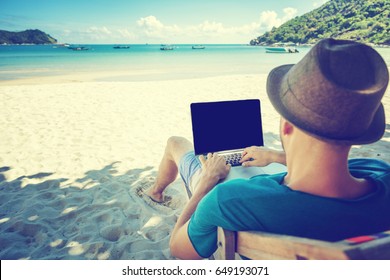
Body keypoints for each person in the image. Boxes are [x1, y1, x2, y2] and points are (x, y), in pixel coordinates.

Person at [146, 38, 390, 259]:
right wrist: (274, 156)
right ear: (360, 132)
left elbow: (178, 249)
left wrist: (206, 183)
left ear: (286, 127)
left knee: (176, 143)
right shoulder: (380, 174)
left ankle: (155, 192)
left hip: (214, 182)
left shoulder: (227, 201)